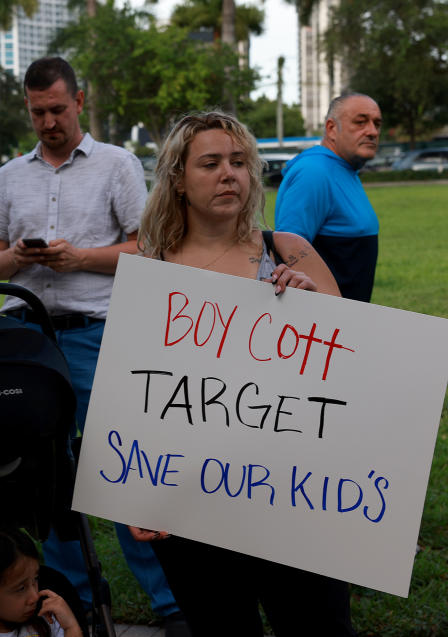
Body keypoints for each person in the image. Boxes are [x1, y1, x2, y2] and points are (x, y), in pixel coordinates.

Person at [0, 56, 186, 633]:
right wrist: (19, 256)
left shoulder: (117, 164)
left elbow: (148, 250)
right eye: (37, 111)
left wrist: (79, 259)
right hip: (26, 336)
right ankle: (72, 597)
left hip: (97, 331)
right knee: (48, 475)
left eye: (57, 109)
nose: (48, 121)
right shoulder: (10, 174)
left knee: (121, 465)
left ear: (80, 101)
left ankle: (169, 603)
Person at [133, 110, 354, 637]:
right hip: (193, 502)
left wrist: (315, 304)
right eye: (210, 163)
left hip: (294, 491)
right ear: (178, 181)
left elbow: (353, 361)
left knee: (319, 626)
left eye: (239, 162)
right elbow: (138, 392)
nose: (229, 173)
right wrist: (137, 492)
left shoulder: (289, 249)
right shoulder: (152, 272)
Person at [275, 93, 383, 302]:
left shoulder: (344, 169)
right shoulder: (314, 173)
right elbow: (286, 256)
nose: (372, 131)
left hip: (350, 320)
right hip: (326, 325)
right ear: (332, 128)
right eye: (360, 122)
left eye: (377, 124)